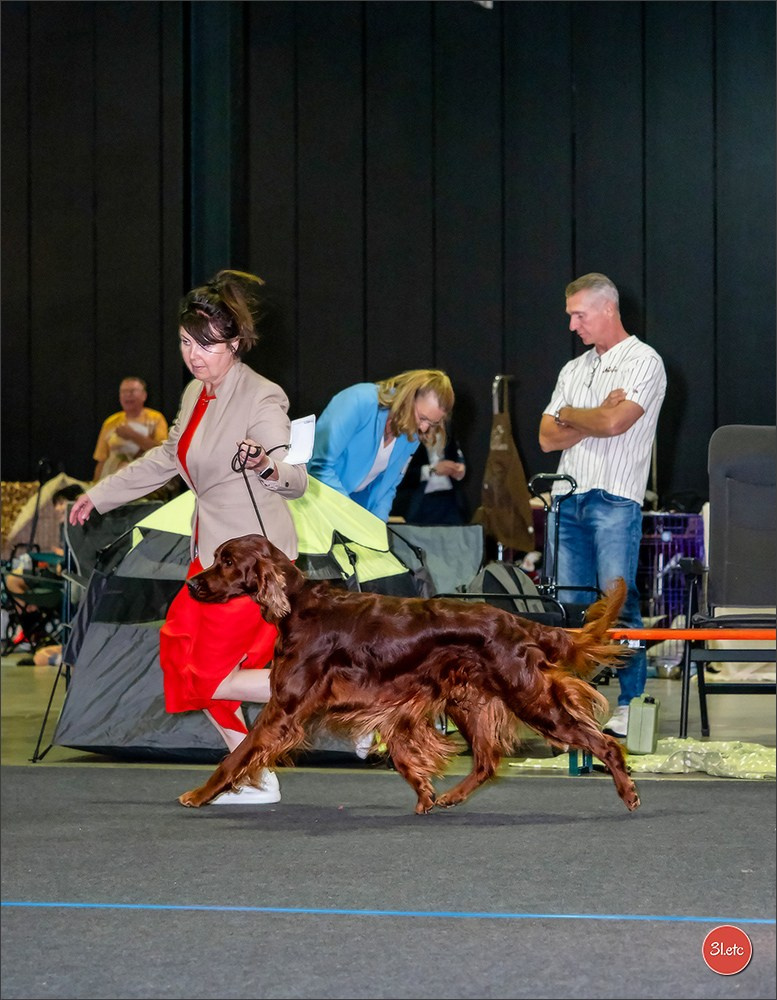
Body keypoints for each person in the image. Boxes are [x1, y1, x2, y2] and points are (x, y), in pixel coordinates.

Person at [70, 269, 308, 804]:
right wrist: (101, 495)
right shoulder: (196, 393)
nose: (194, 355)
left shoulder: (263, 396)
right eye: (185, 342)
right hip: (211, 561)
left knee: (207, 673)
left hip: (253, 569)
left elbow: (293, 477)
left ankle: (325, 689)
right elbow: (168, 457)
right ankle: (256, 769)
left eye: (206, 344)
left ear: (234, 344)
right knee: (181, 657)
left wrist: (265, 466)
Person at [538, 272, 666, 738]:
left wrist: (570, 415)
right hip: (566, 497)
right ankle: (575, 704)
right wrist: (589, 416)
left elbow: (615, 424)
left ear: (607, 309)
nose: (573, 325)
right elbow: (546, 437)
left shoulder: (644, 361)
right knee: (569, 608)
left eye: (579, 315)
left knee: (618, 605)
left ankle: (630, 703)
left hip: (615, 498)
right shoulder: (573, 369)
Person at [308, 369, 456, 522]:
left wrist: (377, 528)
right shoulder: (359, 400)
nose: (424, 428)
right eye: (422, 418)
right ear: (408, 396)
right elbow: (319, 466)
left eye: (432, 423)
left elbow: (386, 490)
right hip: (313, 503)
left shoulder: (413, 434)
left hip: (348, 513)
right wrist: (349, 515)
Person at [92, 376, 169, 481]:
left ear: (144, 396)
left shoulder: (156, 418)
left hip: (144, 478)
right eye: (123, 392)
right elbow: (101, 460)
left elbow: (162, 452)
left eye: (132, 391)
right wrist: (95, 486)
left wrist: (132, 435)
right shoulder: (110, 422)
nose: (127, 395)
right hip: (112, 477)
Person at [391, 426, 468, 525]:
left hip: (450, 499)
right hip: (421, 500)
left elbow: (460, 458)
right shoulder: (408, 437)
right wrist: (432, 469)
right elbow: (403, 475)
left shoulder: (449, 434)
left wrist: (459, 470)